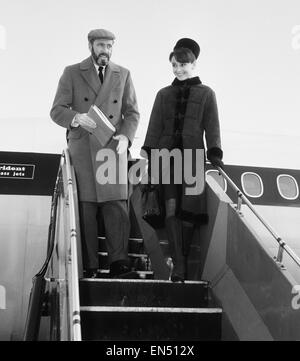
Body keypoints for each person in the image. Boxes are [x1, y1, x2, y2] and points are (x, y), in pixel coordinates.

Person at [50, 29, 140, 278]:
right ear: (90, 45)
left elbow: (132, 113)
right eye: (101, 45)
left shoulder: (123, 74)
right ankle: (89, 265)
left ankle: (119, 263)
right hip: (83, 147)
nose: (106, 51)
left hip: (112, 146)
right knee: (86, 207)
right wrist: (76, 118)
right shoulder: (72, 72)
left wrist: (126, 136)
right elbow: (57, 111)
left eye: (110, 46)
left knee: (116, 205)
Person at [142, 38, 223, 282]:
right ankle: (179, 265)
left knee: (189, 212)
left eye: (182, 65)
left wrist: (215, 152)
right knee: (171, 209)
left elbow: (212, 126)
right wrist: (147, 153)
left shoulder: (207, 93)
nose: (178, 70)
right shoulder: (163, 94)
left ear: (194, 64)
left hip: (192, 158)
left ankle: (182, 260)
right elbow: (154, 126)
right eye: (174, 65)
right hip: (165, 158)